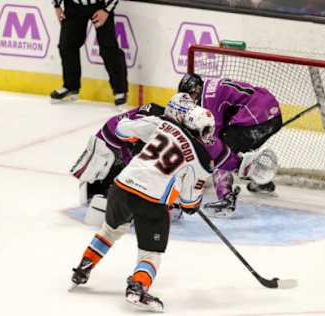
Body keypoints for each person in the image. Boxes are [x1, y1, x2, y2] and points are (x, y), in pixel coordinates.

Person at [70, 104, 216, 312]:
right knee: (151, 254)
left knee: (109, 231)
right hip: (151, 201)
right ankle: (137, 288)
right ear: (201, 129)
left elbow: (122, 128)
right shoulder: (202, 160)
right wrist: (192, 205)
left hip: (121, 187)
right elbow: (189, 200)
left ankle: (83, 268)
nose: (210, 134)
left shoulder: (162, 124)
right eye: (208, 129)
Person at [178, 73, 282, 218]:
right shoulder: (211, 86)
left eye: (190, 95)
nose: (191, 101)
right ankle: (261, 181)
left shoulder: (208, 99)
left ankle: (226, 198)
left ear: (196, 88)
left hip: (257, 116)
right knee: (240, 148)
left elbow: (213, 137)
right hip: (272, 116)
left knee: (220, 153)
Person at [50, 0, 128, 105]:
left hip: (100, 5)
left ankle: (120, 90)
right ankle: (71, 87)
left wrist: (106, 10)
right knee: (67, 44)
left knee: (108, 48)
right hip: (73, 5)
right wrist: (57, 6)